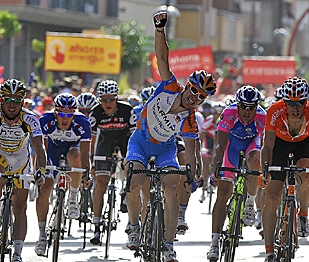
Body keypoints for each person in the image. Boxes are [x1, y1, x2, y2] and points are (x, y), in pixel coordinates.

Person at [125, 11, 216, 262]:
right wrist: (159, 29)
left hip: (165, 149)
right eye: (194, 91)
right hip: (140, 143)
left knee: (173, 188)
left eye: (200, 97)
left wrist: (192, 175)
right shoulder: (169, 86)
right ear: (188, 86)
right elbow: (163, 56)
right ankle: (133, 227)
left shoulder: (189, 120)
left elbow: (192, 149)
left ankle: (168, 245)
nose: (195, 97)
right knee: (134, 181)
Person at [260, 77, 309, 262]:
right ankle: (269, 251)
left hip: (303, 145)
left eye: (300, 103)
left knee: (306, 175)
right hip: (279, 145)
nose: (295, 108)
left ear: (306, 102)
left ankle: (303, 214)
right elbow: (267, 147)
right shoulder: (274, 111)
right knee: (272, 197)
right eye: (290, 103)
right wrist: (265, 171)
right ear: (284, 102)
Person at [207, 85, 266, 261]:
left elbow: (265, 145)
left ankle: (249, 203)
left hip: (251, 145)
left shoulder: (262, 116)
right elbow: (220, 145)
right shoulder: (229, 113)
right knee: (223, 194)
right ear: (237, 105)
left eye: (251, 107)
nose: (247, 111)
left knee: (255, 160)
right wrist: (217, 168)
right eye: (244, 107)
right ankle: (214, 243)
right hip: (231, 147)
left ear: (257, 107)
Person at [35, 92, 91, 256]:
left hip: (72, 149)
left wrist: (86, 173)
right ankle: (42, 235)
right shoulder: (45, 121)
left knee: (75, 156)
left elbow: (86, 152)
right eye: (61, 113)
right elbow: (41, 149)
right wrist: (41, 171)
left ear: (74, 114)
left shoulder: (82, 122)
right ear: (55, 113)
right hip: (51, 152)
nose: (65, 118)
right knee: (45, 190)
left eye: (69, 114)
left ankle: (73, 198)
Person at [0, 79, 46, 262]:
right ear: (1, 100)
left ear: (22, 101)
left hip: (21, 162)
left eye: (17, 101)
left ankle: (17, 253)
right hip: (1, 158)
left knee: (20, 208)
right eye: (8, 100)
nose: (12, 105)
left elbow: (39, 146)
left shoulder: (30, 119)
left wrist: (40, 170)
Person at [89, 80, 137, 245]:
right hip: (105, 143)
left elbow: (134, 137)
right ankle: (96, 225)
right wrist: (92, 162)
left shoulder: (127, 110)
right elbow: (92, 140)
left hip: (125, 140)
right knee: (100, 185)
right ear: (99, 100)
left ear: (117, 98)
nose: (107, 103)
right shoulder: (95, 113)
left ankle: (127, 192)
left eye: (111, 99)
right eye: (104, 100)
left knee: (132, 166)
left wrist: (131, 158)